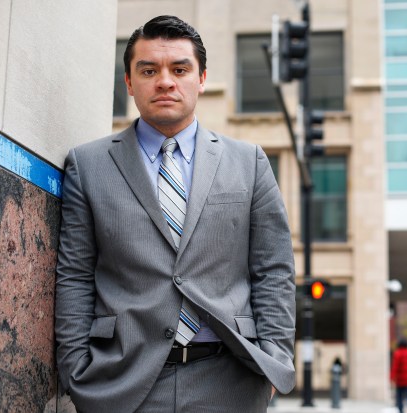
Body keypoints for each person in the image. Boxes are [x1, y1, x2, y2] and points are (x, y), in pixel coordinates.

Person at [54, 15, 296, 413]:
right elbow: (76, 273)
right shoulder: (88, 164)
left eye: (179, 69)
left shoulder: (248, 162)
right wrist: (75, 369)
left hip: (230, 382)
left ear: (201, 78)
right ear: (129, 83)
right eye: (148, 70)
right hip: (122, 384)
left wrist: (273, 360)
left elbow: (274, 269)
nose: (165, 81)